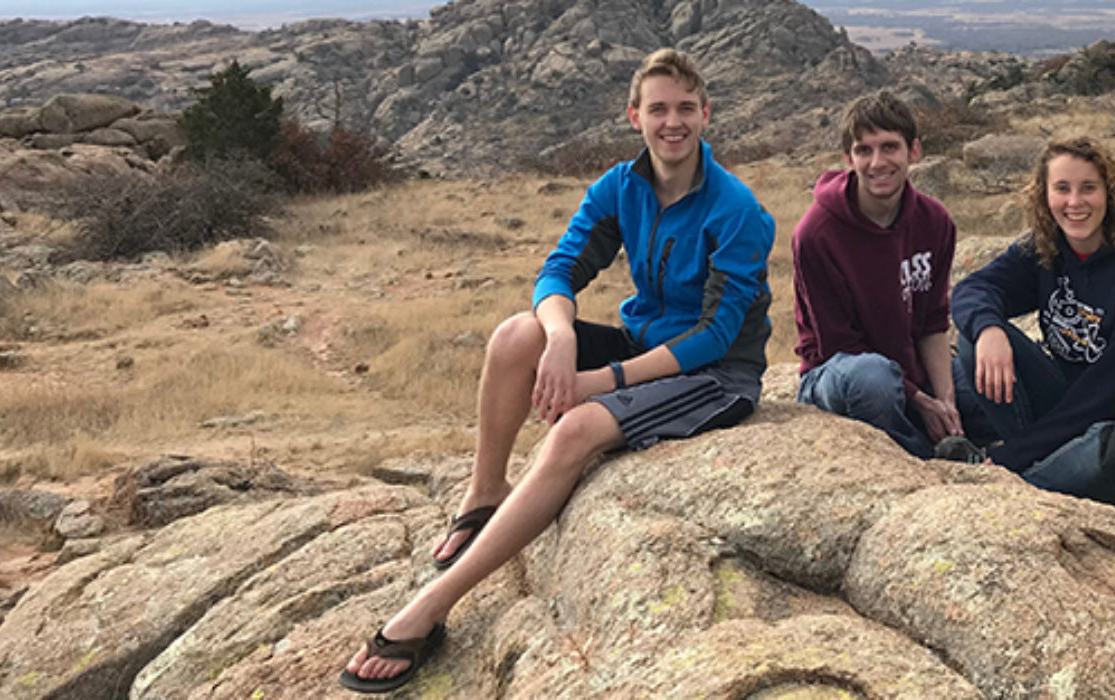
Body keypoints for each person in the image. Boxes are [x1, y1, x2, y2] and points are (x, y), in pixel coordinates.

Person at [338, 49, 776, 693]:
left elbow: (716, 336)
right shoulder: (621, 188)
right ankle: (484, 493)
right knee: (517, 334)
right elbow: (559, 270)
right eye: (658, 109)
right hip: (642, 343)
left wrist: (599, 383)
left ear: (706, 114)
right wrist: (561, 337)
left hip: (716, 376)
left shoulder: (736, 209)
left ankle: (428, 611)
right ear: (635, 117)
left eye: (686, 108)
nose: (672, 122)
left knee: (572, 433)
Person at [950, 137, 1115, 493]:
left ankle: (1008, 479)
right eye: (1061, 189)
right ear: (1045, 196)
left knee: (1103, 447)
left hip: (1111, 416)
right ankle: (1028, 469)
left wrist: (1015, 455)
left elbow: (1108, 392)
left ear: (1110, 193)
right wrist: (989, 330)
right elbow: (972, 289)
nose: (1074, 202)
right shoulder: (1046, 248)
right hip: (1057, 402)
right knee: (974, 339)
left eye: (1088, 188)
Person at [792, 90, 985, 461]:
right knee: (874, 380)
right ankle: (923, 460)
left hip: (912, 369)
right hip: (839, 373)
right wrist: (921, 401)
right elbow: (836, 343)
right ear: (848, 158)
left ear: (914, 151)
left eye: (889, 147)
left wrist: (945, 400)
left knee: (984, 389)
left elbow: (932, 322)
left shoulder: (935, 221)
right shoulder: (816, 234)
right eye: (864, 150)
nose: (877, 162)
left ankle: (965, 442)